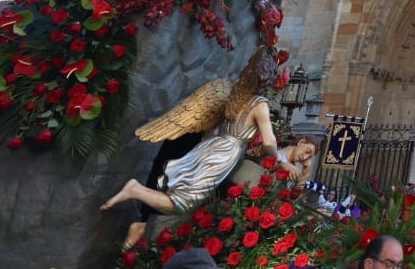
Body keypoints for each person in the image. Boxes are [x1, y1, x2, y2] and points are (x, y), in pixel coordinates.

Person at [101, 49, 295, 249]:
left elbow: (212, 129)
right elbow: (269, 141)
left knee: (182, 194)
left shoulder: (237, 96)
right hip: (224, 154)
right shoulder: (259, 104)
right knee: (184, 202)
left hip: (212, 145)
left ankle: (142, 226)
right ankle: (136, 190)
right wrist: (283, 161)